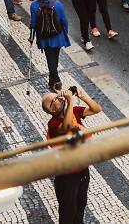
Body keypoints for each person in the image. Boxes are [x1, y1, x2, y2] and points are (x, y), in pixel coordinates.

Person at [42, 85, 102, 224]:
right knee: (68, 213)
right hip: (67, 176)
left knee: (81, 207)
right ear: (52, 109)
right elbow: (67, 126)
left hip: (82, 170)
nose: (59, 97)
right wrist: (70, 101)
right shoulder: (53, 123)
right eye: (55, 100)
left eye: (56, 96)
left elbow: (96, 109)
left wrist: (82, 96)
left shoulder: (74, 112)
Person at [29, 0, 70, 91]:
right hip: (58, 36)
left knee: (50, 59)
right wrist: (65, 33)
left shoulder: (34, 6)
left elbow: (33, 24)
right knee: (54, 58)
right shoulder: (57, 4)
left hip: (44, 38)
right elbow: (64, 20)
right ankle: (52, 81)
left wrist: (32, 36)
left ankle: (56, 80)